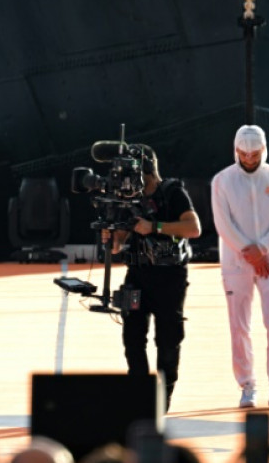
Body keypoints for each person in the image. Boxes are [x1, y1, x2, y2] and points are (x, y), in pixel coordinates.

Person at [103, 146, 201, 412]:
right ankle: (138, 394)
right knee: (132, 337)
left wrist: (155, 227)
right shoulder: (127, 199)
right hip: (137, 274)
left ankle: (162, 399)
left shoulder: (172, 193)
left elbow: (193, 228)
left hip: (170, 277)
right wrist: (112, 239)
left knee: (168, 341)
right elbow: (119, 243)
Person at [211, 125, 269, 409]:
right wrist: (251, 253)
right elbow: (223, 225)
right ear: (235, 151)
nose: (248, 159)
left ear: (263, 150)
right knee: (239, 326)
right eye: (243, 154)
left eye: (254, 154)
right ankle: (247, 384)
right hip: (236, 263)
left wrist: (262, 250)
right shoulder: (221, 181)